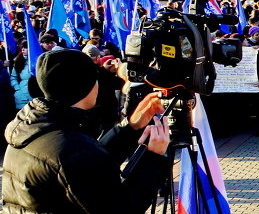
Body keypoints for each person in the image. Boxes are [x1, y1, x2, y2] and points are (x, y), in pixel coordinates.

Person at [3, 49, 171, 212]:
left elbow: (89, 166)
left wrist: (130, 126)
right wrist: (153, 159)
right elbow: (120, 207)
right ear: (85, 86)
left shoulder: (36, 125)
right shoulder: (71, 147)